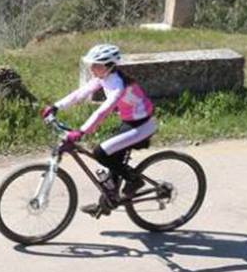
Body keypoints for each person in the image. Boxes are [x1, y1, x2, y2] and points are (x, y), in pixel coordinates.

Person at [39, 44, 158, 217]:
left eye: (96, 65)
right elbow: (80, 93)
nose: (92, 69)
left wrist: (81, 131)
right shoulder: (104, 78)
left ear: (109, 66)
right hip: (129, 122)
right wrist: (56, 106)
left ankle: (135, 180)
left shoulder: (118, 85)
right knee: (113, 158)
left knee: (100, 152)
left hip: (142, 125)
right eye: (91, 65)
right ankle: (109, 201)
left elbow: (103, 110)